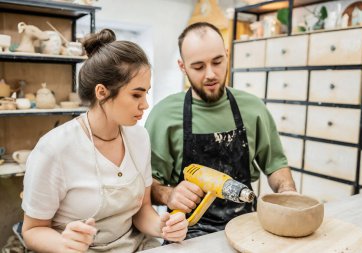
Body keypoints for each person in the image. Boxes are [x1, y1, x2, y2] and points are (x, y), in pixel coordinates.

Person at [21, 29, 188, 253]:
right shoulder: (54, 149)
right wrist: (65, 243)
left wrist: (162, 226)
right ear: (101, 92)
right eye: (136, 95)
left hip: (135, 245)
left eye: (146, 93)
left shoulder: (139, 138)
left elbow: (142, 210)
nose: (145, 105)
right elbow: (31, 231)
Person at [144, 22, 297, 239]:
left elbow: (275, 166)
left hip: (247, 228)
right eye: (198, 67)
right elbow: (147, 186)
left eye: (217, 62)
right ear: (182, 66)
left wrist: (287, 192)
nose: (210, 74)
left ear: (227, 55)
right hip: (187, 234)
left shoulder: (253, 108)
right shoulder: (163, 116)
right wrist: (169, 195)